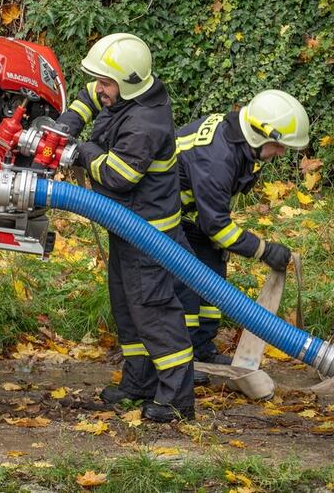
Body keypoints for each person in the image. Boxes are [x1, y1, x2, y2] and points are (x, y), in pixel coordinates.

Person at [55, 33, 195, 422]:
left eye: (106, 83)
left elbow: (118, 176)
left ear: (127, 83)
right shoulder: (127, 93)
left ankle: (176, 400)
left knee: (153, 311)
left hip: (148, 235)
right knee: (127, 308)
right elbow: (89, 94)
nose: (99, 89)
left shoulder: (145, 123)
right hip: (128, 226)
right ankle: (138, 383)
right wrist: (67, 124)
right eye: (101, 81)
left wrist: (81, 151)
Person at [174, 90, 310, 364]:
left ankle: (202, 351)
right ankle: (181, 362)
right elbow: (217, 227)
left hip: (192, 215)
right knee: (186, 285)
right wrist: (264, 250)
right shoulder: (217, 158)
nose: (281, 152)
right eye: (278, 145)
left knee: (212, 277)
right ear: (259, 134)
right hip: (163, 216)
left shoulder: (238, 139)